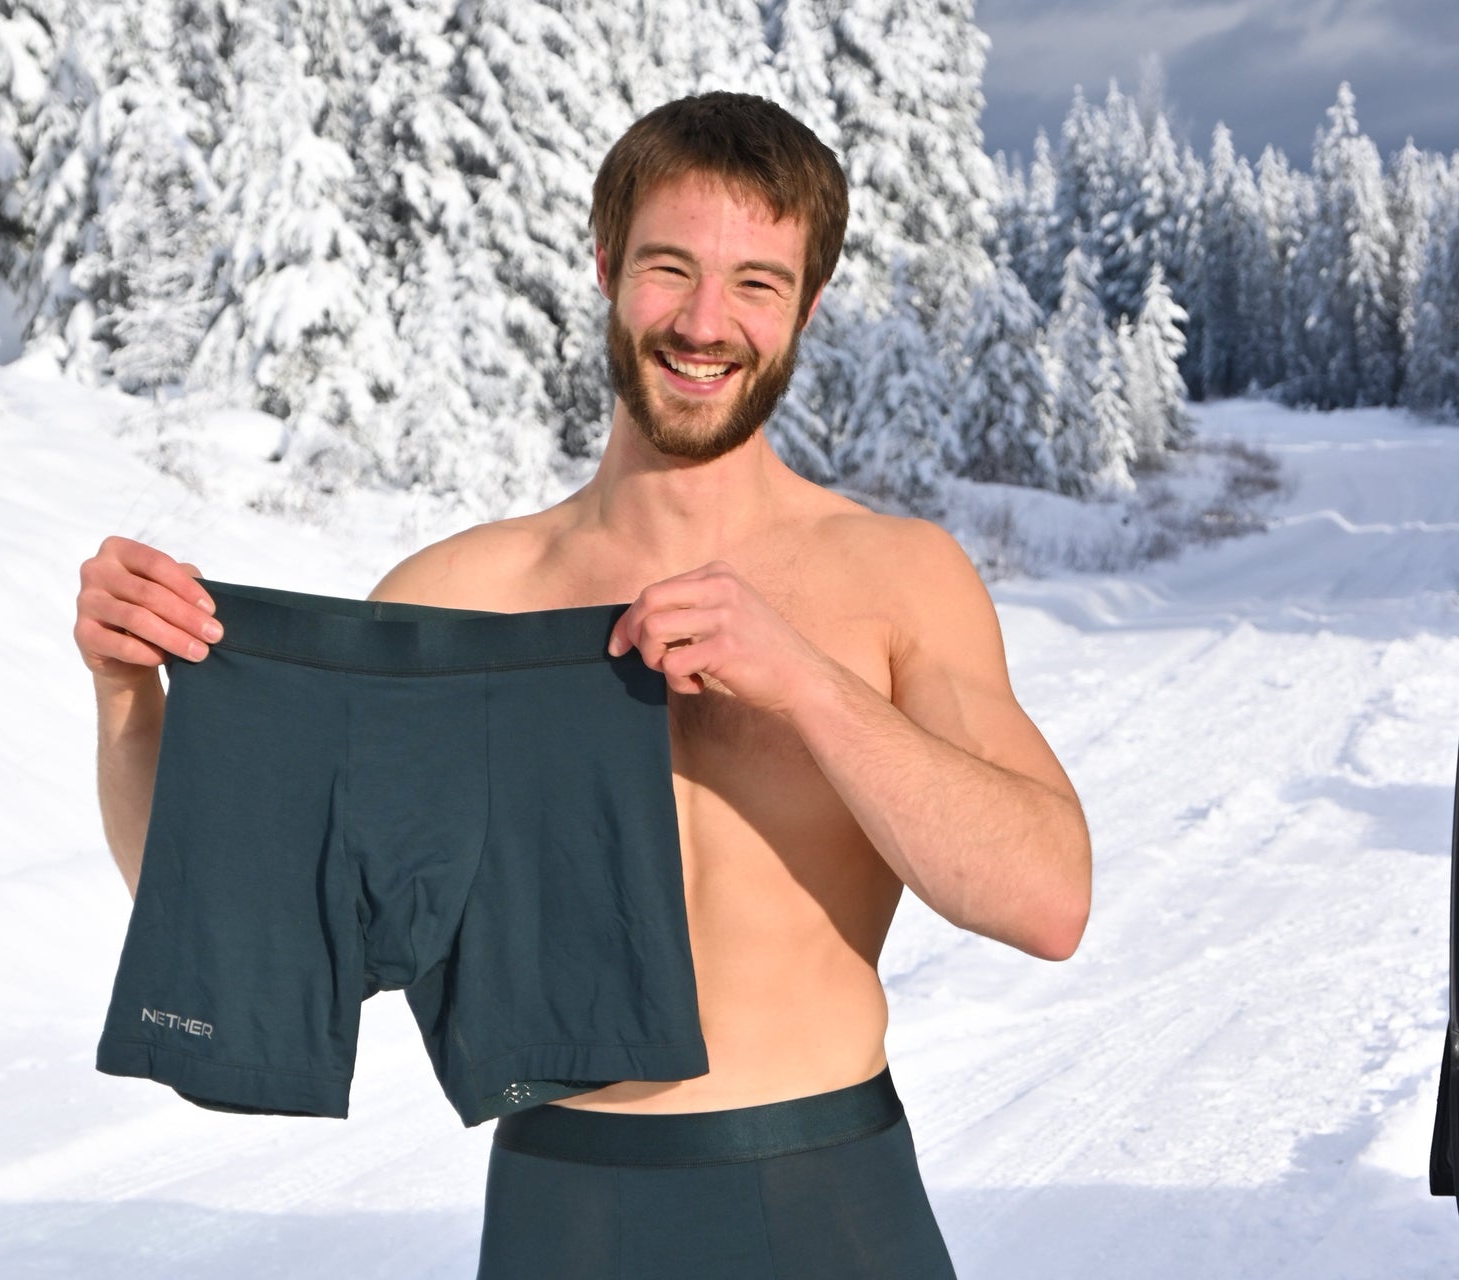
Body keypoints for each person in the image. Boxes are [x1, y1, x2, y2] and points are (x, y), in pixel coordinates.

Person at [74, 93, 1090, 1278]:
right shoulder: (459, 595)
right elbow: (249, 917)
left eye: (757, 282)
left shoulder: (896, 577)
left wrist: (806, 682)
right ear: (605, 266)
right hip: (564, 1213)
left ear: (807, 305)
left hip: (829, 1193)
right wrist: (127, 697)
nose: (705, 322)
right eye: (670, 268)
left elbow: (1046, 900)